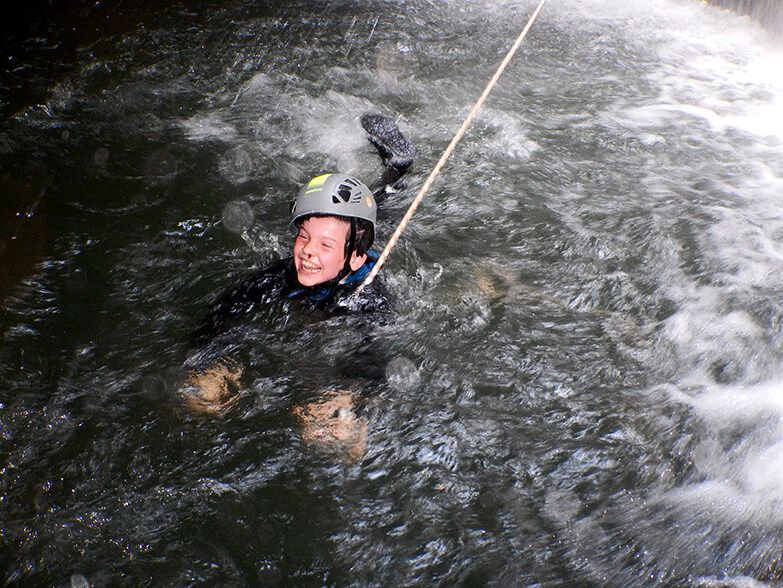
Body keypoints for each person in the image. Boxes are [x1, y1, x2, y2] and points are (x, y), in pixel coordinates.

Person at [183, 113, 415, 459]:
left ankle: (399, 167)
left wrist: (348, 400)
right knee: (368, 210)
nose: (306, 251)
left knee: (385, 204)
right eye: (303, 237)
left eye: (323, 245)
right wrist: (210, 365)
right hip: (347, 248)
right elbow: (228, 308)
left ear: (355, 258)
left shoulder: (368, 296)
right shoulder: (287, 272)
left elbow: (373, 356)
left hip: (359, 261)